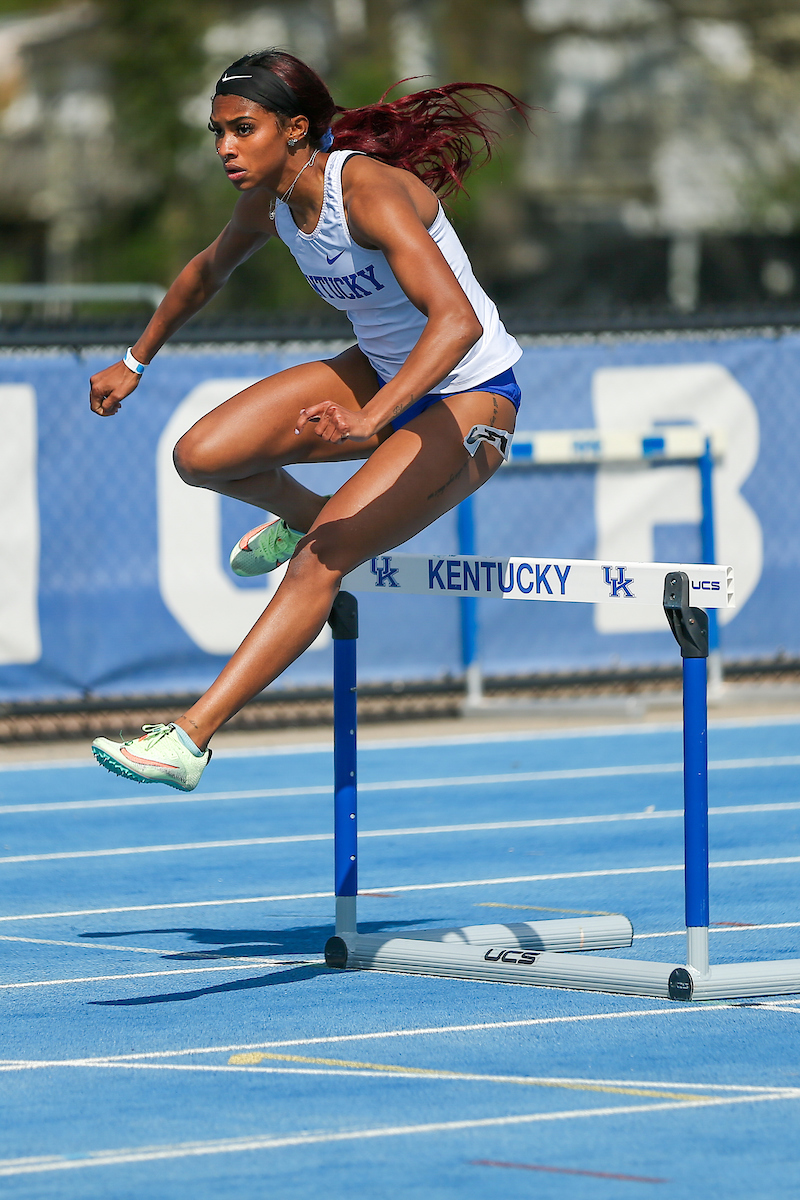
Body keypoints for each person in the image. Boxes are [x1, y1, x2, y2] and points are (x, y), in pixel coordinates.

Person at [89, 49, 527, 791]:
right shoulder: (266, 202)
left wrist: (373, 421)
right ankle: (312, 513)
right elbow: (204, 274)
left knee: (321, 561)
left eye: (242, 129)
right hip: (386, 375)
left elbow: (456, 324)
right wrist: (133, 362)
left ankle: (190, 739)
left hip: (471, 398)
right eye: (216, 132)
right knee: (201, 455)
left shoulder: (366, 193)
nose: (225, 147)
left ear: (295, 130)